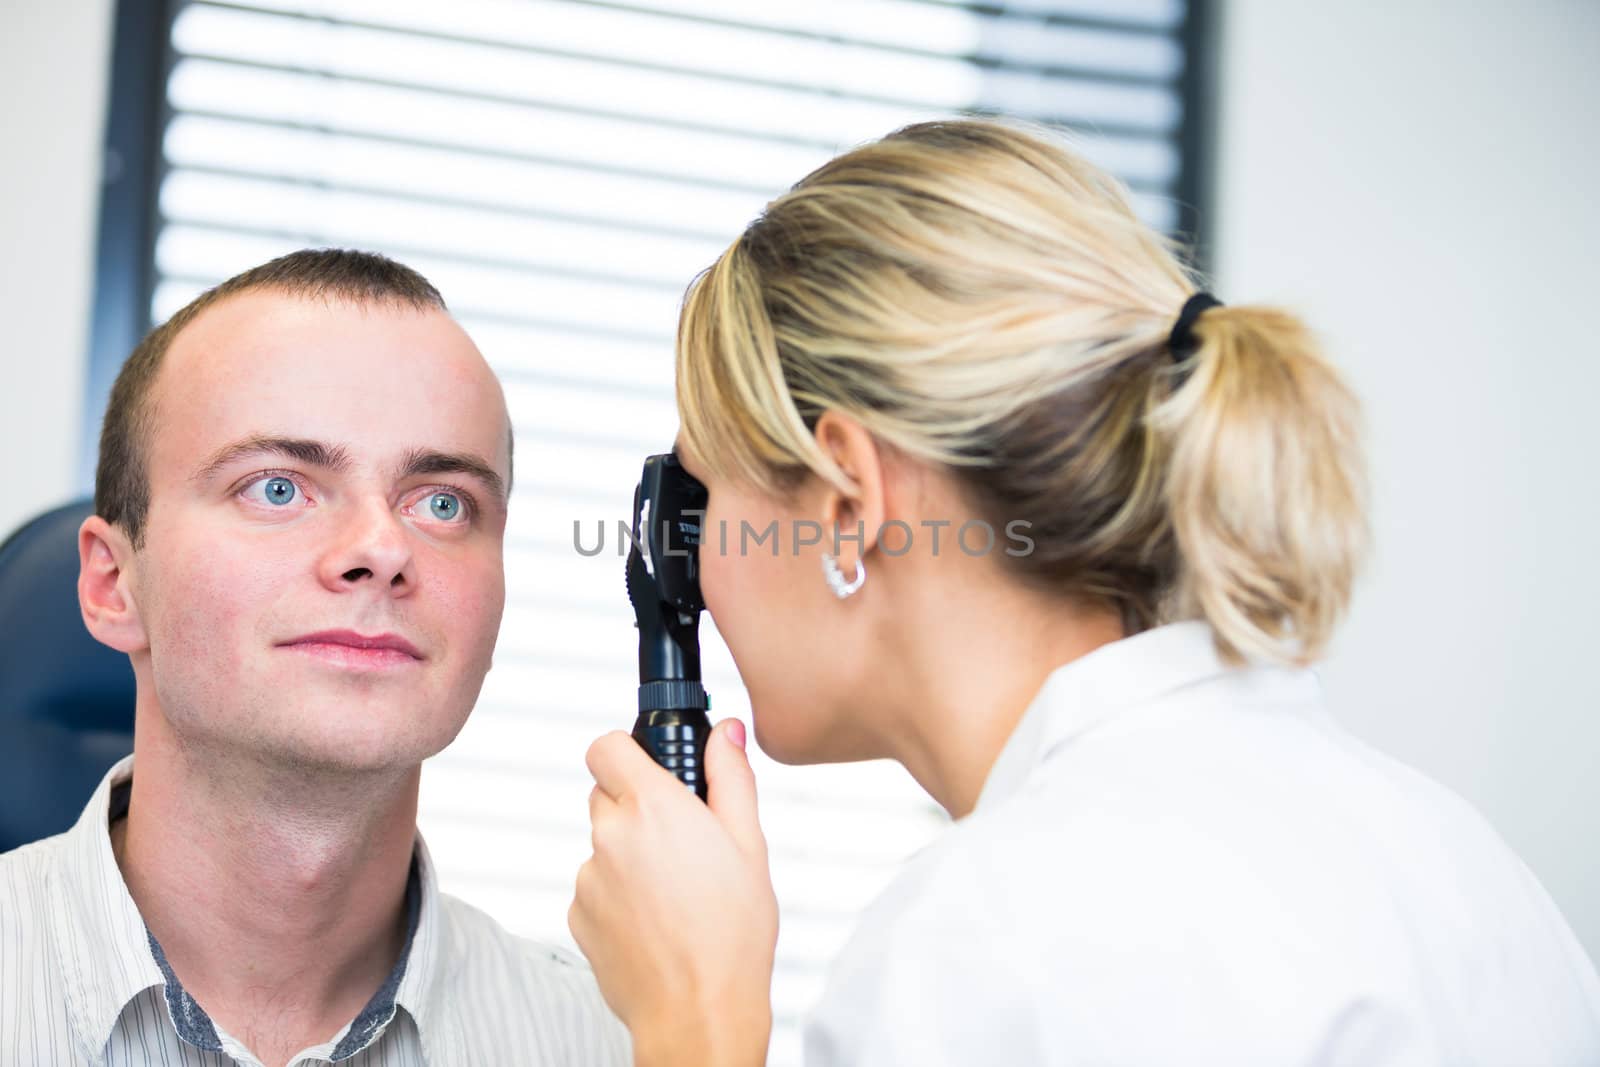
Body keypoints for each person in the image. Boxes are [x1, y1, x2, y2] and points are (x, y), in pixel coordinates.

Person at [566, 120, 1600, 1065]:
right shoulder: (1465, 870)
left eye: (700, 495)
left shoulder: (982, 943)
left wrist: (694, 1018)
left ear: (847, 498)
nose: (685, 569)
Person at [0, 250, 628, 1067]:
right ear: (114, 584)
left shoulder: (611, 1044)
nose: (381, 548)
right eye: (276, 487)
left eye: (443, 503)